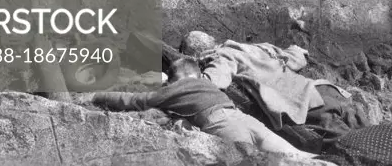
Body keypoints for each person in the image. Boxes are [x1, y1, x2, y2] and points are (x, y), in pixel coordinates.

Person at [180, 30, 367, 154]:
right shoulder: (255, 47)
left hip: (310, 105)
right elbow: (298, 56)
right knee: (379, 141)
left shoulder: (222, 56)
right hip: (327, 91)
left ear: (197, 55)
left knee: (356, 154)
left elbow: (212, 82)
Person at [92, 56, 314, 158]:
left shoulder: (172, 90)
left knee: (248, 161)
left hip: (220, 123)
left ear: (171, 79)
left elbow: (131, 100)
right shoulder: (208, 83)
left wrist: (99, 95)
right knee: (295, 155)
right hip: (241, 116)